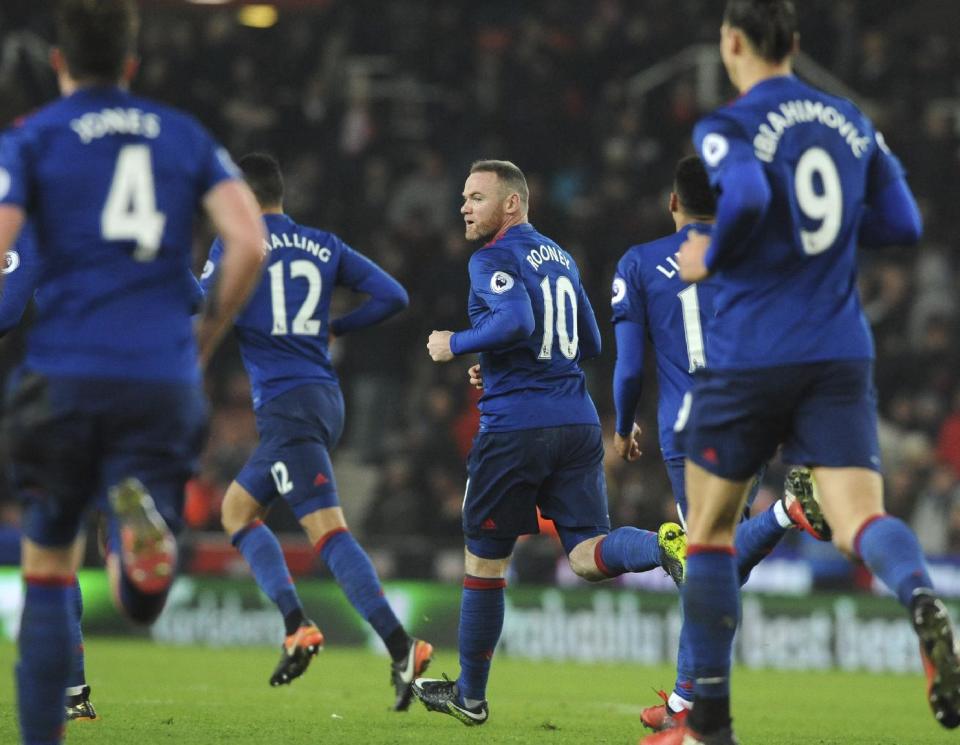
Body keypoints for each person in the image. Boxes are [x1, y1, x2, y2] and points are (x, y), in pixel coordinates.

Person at [642, 2, 959, 744]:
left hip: (753, 348)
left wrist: (709, 255)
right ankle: (920, 597)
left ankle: (708, 728)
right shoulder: (849, 120)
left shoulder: (727, 125)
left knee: (712, 531)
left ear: (731, 43)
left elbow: (747, 195)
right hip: (839, 351)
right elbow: (905, 223)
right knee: (859, 519)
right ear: (796, 44)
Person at [0, 2, 266, 743]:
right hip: (162, 380)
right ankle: (138, 537)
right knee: (140, 592)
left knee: (49, 557)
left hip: (66, 377)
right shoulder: (183, 136)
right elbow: (246, 245)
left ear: (59, 62)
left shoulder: (30, 140)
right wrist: (204, 340)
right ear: (132, 64)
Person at [412, 159, 686, 727]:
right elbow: (587, 339)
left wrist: (457, 343)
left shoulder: (491, 257)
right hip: (577, 422)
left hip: (516, 430)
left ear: (512, 204)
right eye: (463, 197)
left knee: (485, 564)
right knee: (588, 554)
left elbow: (512, 321)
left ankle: (471, 694)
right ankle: (663, 546)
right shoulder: (560, 256)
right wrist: (502, 362)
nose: (464, 206)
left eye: (477, 197)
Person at [203, 152, 432, 709]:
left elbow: (200, 304)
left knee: (328, 531)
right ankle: (295, 622)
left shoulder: (238, 245)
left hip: (286, 406)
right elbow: (394, 296)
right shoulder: (323, 244)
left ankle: (399, 644)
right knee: (237, 509)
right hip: (324, 397)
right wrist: (335, 325)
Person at [612, 155, 822, 732]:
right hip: (752, 421)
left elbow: (629, 368)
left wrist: (624, 424)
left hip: (692, 430)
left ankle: (785, 511)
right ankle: (683, 705)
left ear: (672, 202)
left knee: (707, 562)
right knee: (717, 559)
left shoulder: (639, 262)